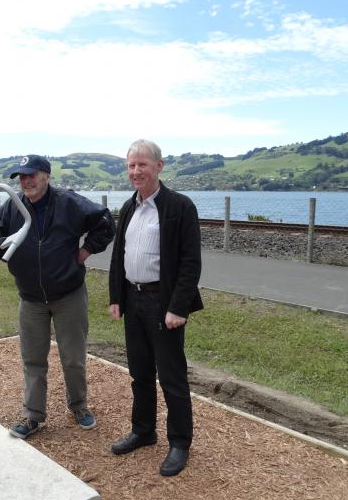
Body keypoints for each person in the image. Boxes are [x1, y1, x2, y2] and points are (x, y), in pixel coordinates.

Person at [0, 154, 116, 439]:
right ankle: (33, 415)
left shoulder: (68, 202)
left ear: (46, 176)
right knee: (33, 360)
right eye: (21, 177)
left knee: (73, 357)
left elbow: (104, 220)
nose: (26, 181)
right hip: (31, 298)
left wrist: (86, 250)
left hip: (68, 295)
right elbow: (1, 230)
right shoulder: (14, 207)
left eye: (31, 175)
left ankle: (79, 406)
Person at [108, 139, 203, 477]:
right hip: (133, 301)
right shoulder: (129, 208)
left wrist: (178, 307)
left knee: (172, 377)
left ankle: (179, 443)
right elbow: (120, 254)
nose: (136, 171)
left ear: (159, 166)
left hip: (164, 304)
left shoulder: (180, 206)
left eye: (142, 165)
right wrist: (116, 297)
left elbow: (191, 263)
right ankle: (144, 431)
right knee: (140, 373)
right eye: (131, 165)